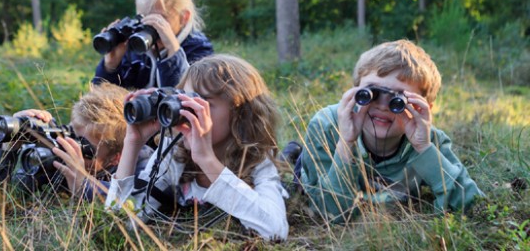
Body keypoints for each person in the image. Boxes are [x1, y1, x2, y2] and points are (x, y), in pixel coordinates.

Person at [105, 54, 289, 240]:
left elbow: (274, 231)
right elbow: (118, 224)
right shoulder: (174, 154)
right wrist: (132, 144)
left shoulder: (258, 163)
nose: (189, 110)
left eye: (204, 103)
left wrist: (206, 160)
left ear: (240, 115)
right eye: (185, 99)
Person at [299, 40, 484, 223]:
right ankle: (294, 154)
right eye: (372, 93)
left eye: (398, 100)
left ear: (423, 108)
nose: (382, 106)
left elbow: (474, 207)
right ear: (356, 91)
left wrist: (424, 148)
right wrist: (346, 143)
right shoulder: (327, 126)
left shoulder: (429, 141)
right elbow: (329, 213)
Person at [0, 82, 152, 200]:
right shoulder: (59, 155)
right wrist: (10, 147)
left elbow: (130, 205)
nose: (71, 148)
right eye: (69, 133)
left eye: (85, 148)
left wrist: (83, 186)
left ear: (116, 158)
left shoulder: (143, 163)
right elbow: (2, 194)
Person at [92, 0, 213, 89]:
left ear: (184, 17)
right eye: (143, 18)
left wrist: (173, 52)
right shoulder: (135, 47)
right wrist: (110, 67)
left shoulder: (200, 51)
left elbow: (188, 100)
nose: (150, 25)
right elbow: (101, 102)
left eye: (159, 19)